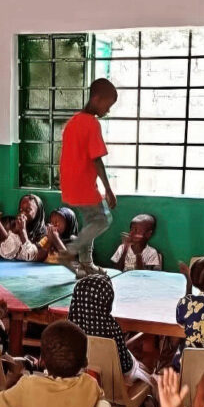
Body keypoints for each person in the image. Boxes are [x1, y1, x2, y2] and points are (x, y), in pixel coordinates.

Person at [56, 79, 119, 278]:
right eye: (107, 105)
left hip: (70, 183)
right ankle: (70, 252)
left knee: (91, 222)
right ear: (96, 99)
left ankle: (85, 265)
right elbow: (96, 160)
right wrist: (108, 189)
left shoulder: (73, 122)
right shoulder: (91, 123)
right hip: (84, 184)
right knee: (103, 219)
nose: (107, 111)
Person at [67, 273, 152, 387]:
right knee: (143, 367)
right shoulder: (110, 328)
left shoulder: (69, 328)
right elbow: (125, 366)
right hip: (114, 384)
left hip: (78, 382)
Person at [0, 194, 47, 261]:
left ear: (38, 213)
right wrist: (15, 232)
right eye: (20, 210)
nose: (22, 213)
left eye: (28, 210)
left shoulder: (45, 236)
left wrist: (23, 231)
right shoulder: (16, 227)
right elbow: (4, 253)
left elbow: (31, 257)